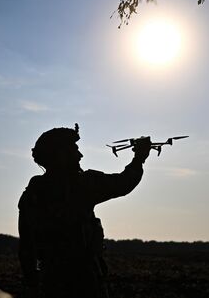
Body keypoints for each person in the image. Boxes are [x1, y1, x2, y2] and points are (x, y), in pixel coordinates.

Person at [18, 124, 151, 298]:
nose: (80, 155)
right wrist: (139, 158)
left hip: (51, 282)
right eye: (74, 150)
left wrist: (32, 282)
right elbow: (123, 183)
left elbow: (26, 246)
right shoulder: (83, 184)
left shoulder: (33, 193)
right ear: (61, 155)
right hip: (85, 281)